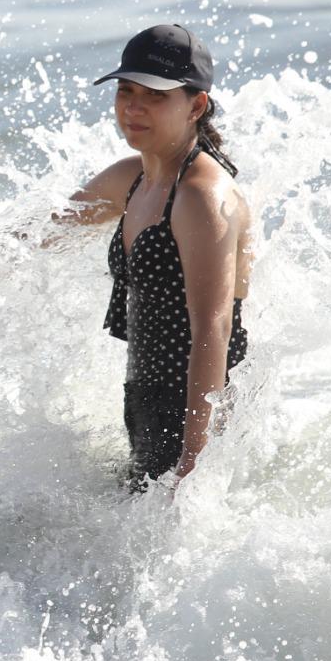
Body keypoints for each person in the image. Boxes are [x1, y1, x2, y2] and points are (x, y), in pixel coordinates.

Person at [55, 24, 252, 487]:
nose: (133, 107)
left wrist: (192, 464)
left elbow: (214, 327)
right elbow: (30, 238)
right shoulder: (131, 178)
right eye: (125, 90)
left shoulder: (201, 195)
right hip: (146, 406)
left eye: (155, 95)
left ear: (196, 105)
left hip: (195, 416)